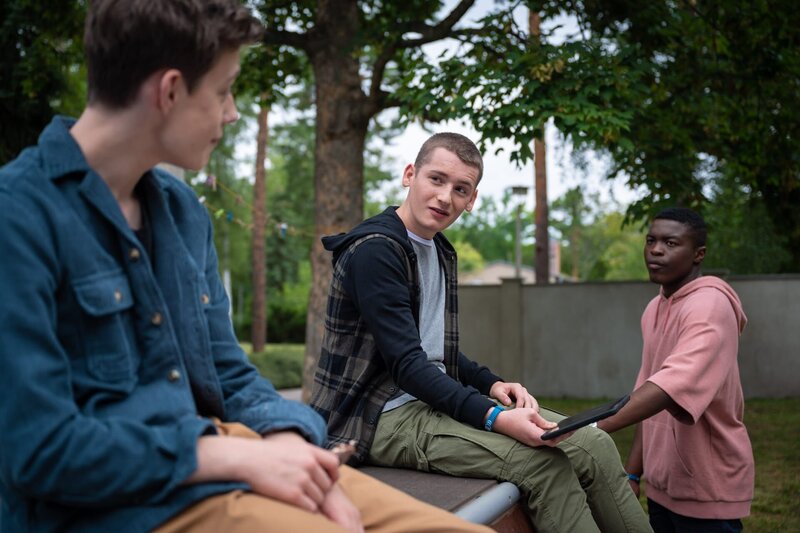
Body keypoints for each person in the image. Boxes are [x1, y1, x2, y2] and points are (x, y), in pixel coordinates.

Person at [0, 2, 492, 532]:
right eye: (223, 90)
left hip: (226, 461)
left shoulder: (182, 212)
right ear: (169, 92)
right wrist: (234, 457)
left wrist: (284, 441)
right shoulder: (19, 217)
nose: (231, 112)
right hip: (120, 505)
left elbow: (228, 374)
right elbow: (40, 449)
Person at [310, 132, 652, 533]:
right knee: (542, 464)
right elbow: (407, 365)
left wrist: (492, 385)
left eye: (460, 189)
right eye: (435, 179)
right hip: (375, 415)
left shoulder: (437, 249)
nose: (444, 197)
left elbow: (434, 352)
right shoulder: (377, 249)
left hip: (423, 400)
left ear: (471, 200)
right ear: (409, 175)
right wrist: (495, 419)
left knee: (594, 445)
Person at [597, 207, 754, 532]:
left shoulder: (709, 305)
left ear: (698, 254)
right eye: (651, 240)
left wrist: (588, 428)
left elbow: (671, 386)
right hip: (662, 485)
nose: (655, 250)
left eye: (670, 243)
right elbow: (648, 394)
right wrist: (633, 473)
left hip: (707, 487)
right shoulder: (655, 307)